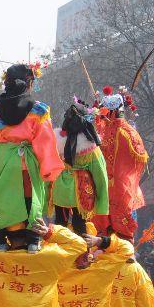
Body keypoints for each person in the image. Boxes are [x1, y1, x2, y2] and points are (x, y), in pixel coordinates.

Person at [0, 63, 65, 251]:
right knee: (30, 199)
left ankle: (1, 239)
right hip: (27, 164)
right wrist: (48, 170)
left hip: (3, 161)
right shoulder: (39, 111)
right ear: (29, 83)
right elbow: (44, 142)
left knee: (4, 201)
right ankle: (33, 240)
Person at [91, 86, 148, 239]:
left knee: (117, 232)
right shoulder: (128, 131)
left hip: (118, 188)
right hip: (121, 188)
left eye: (104, 111)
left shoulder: (114, 132)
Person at [50, 98, 109, 235]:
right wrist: (102, 201)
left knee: (60, 222)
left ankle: (60, 252)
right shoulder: (91, 147)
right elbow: (100, 174)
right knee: (80, 225)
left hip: (60, 187)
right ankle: (81, 254)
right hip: (82, 188)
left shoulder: (56, 142)